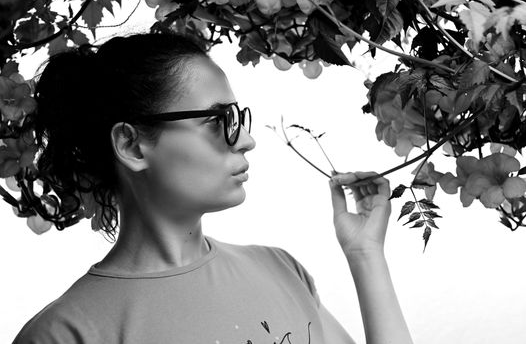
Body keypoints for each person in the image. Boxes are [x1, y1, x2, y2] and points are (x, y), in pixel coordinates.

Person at [12, 32, 413, 344]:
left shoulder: (280, 270)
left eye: (240, 118)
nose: (245, 140)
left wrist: (366, 255)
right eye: (218, 120)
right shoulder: (66, 334)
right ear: (132, 145)